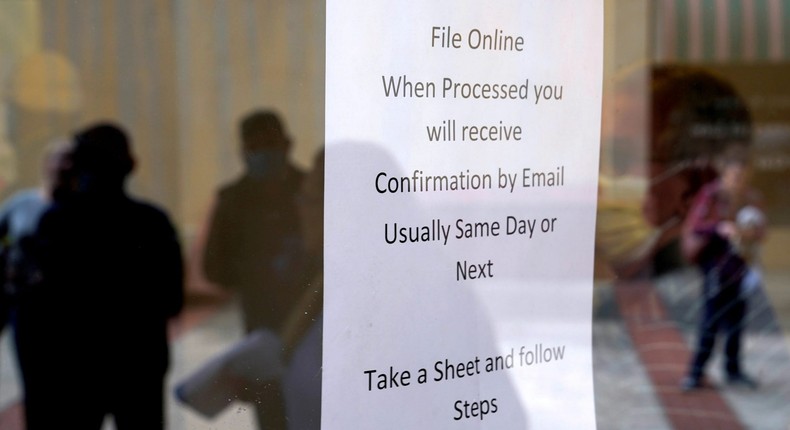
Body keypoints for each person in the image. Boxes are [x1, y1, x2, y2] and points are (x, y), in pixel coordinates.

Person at [14, 122, 184, 429]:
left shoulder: (56, 224)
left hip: (74, 370)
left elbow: (36, 310)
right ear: (131, 165)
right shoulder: (152, 224)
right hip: (138, 365)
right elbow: (172, 300)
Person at [202, 109, 305, 429]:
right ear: (244, 152)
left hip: (311, 324)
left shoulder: (312, 191)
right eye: (254, 149)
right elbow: (214, 268)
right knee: (272, 413)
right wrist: (255, 269)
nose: (263, 155)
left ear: (288, 145)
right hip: (262, 330)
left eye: (269, 146)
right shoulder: (232, 200)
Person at [680, 144, 764, 391]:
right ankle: (695, 373)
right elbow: (696, 224)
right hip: (716, 265)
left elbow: (760, 230)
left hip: (740, 266)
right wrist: (719, 228)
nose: (738, 181)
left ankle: (733, 370)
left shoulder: (750, 197)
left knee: (737, 321)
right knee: (710, 321)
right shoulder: (712, 194)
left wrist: (751, 232)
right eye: (734, 176)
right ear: (725, 174)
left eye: (742, 176)